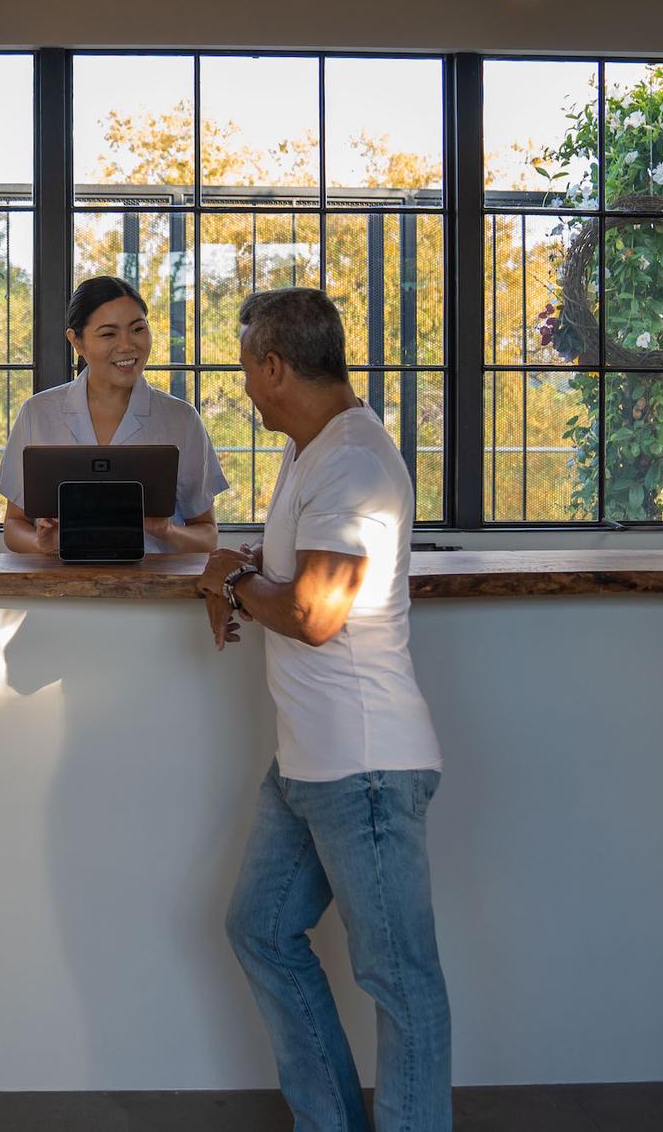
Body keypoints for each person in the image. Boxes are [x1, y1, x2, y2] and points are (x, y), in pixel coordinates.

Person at [197, 286, 451, 1132]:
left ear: (274, 366)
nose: (244, 387)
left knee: (401, 981)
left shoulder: (352, 462)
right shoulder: (311, 451)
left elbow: (313, 612)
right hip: (309, 762)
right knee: (261, 929)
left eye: (245, 368)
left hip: (364, 767)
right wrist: (236, 572)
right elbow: (292, 576)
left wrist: (235, 580)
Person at [0, 276, 226, 555]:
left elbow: (207, 536)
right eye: (108, 334)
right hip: (61, 581)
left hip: (155, 581)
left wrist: (166, 530)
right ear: (76, 341)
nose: (127, 345)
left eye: (138, 329)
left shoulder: (181, 419)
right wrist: (43, 543)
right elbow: (13, 525)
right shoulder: (37, 413)